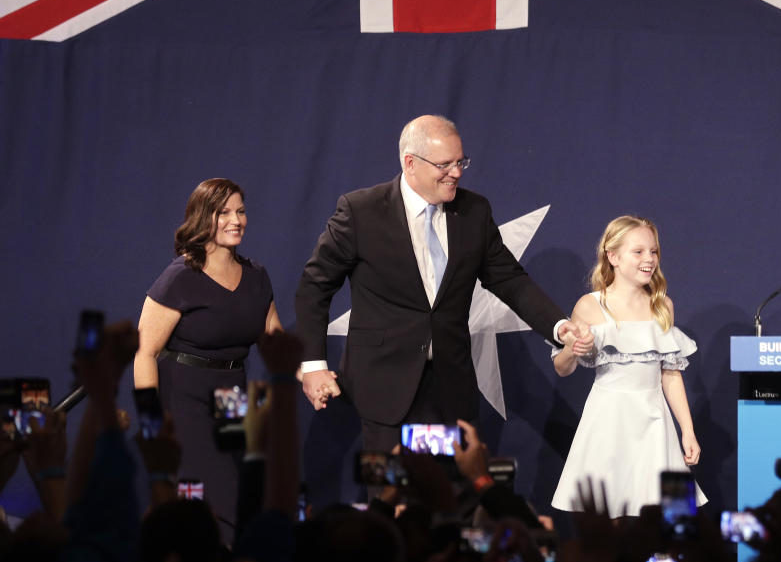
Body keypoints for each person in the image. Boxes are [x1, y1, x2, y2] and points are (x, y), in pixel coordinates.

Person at [294, 114, 581, 452]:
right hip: (385, 389)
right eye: (444, 164)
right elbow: (315, 286)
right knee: (391, 496)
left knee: (448, 496)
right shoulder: (361, 212)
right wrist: (313, 366)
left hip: (449, 388)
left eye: (461, 162)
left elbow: (509, 279)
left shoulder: (473, 212)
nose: (456, 173)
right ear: (410, 163)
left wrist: (558, 327)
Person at [134, 178, 282, 534]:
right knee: (215, 490)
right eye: (224, 212)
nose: (236, 220)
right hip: (185, 396)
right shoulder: (180, 277)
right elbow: (145, 352)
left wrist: (311, 373)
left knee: (246, 491)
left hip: (234, 394)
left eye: (241, 211)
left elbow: (276, 343)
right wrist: (152, 420)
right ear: (204, 218)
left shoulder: (257, 276)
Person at [551, 216, 706, 516]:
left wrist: (687, 430)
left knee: (663, 516)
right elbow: (562, 367)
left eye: (654, 251)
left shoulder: (663, 306)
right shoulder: (590, 305)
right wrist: (572, 348)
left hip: (654, 423)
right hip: (609, 422)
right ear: (613, 256)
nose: (649, 259)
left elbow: (670, 373)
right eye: (639, 252)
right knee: (609, 517)